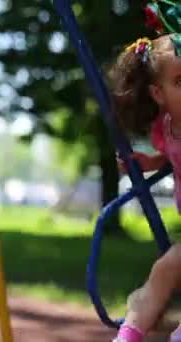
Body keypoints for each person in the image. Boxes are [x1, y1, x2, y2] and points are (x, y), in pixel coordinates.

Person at [110, 32, 181, 342]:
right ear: (158, 93)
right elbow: (171, 157)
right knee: (162, 272)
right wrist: (149, 162)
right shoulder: (165, 129)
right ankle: (128, 335)